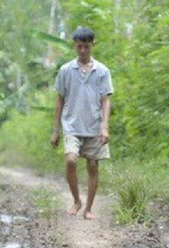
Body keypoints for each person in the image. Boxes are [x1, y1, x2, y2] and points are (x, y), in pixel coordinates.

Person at [51, 27, 113, 220]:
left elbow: (105, 100)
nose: (83, 51)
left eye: (86, 46)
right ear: (74, 46)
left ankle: (89, 208)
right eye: (79, 47)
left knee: (93, 166)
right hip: (71, 125)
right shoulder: (66, 70)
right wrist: (55, 131)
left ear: (92, 44)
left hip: (94, 126)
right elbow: (60, 100)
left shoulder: (102, 71)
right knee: (70, 160)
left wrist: (104, 127)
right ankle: (77, 200)